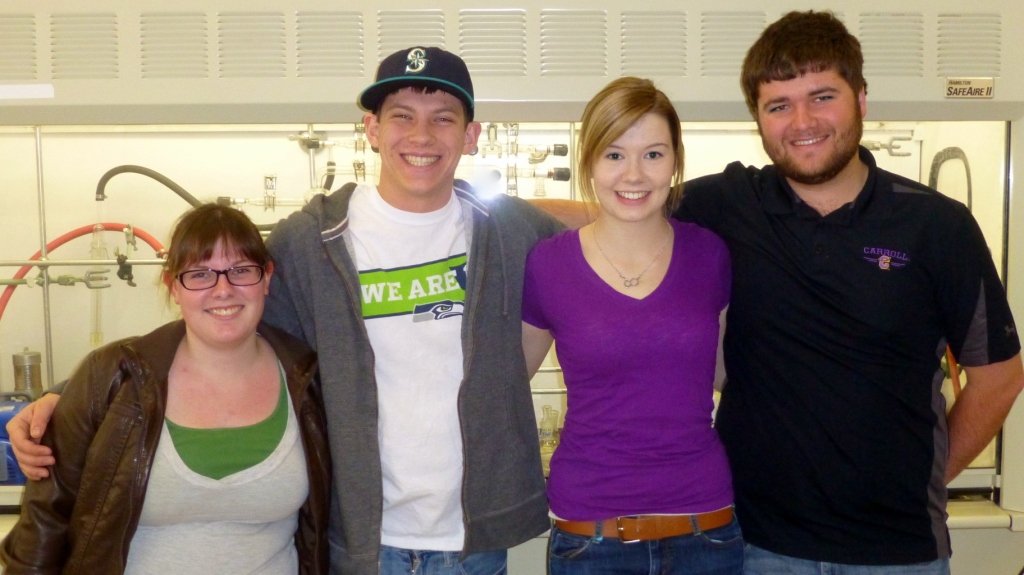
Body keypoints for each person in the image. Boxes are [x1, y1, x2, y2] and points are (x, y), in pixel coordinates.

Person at [6, 46, 561, 575]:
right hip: (359, 533)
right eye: (401, 116)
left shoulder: (510, 232)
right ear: (371, 128)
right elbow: (222, 308)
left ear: (471, 136)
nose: (421, 135)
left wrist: (634, 195)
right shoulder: (312, 240)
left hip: (476, 539)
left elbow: (606, 241)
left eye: (443, 118)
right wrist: (74, 394)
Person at [682, 11, 1023, 574]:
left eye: (822, 96)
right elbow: (613, 217)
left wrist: (924, 479)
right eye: (778, 105)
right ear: (758, 120)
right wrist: (489, 218)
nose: (802, 121)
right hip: (756, 547)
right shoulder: (724, 206)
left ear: (861, 99)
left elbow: (1000, 378)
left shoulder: (937, 226)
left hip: (899, 553)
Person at [0, 204, 331, 574]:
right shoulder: (111, 379)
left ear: (267, 278)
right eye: (200, 274)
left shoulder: (310, 383)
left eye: (240, 271)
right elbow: (46, 520)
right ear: (173, 286)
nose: (223, 289)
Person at [521, 77, 742, 575]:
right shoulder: (549, 265)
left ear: (675, 162)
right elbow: (505, 383)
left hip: (704, 529)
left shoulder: (709, 254)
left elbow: (728, 376)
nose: (634, 174)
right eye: (615, 155)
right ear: (590, 163)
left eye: (654, 154)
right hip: (589, 536)